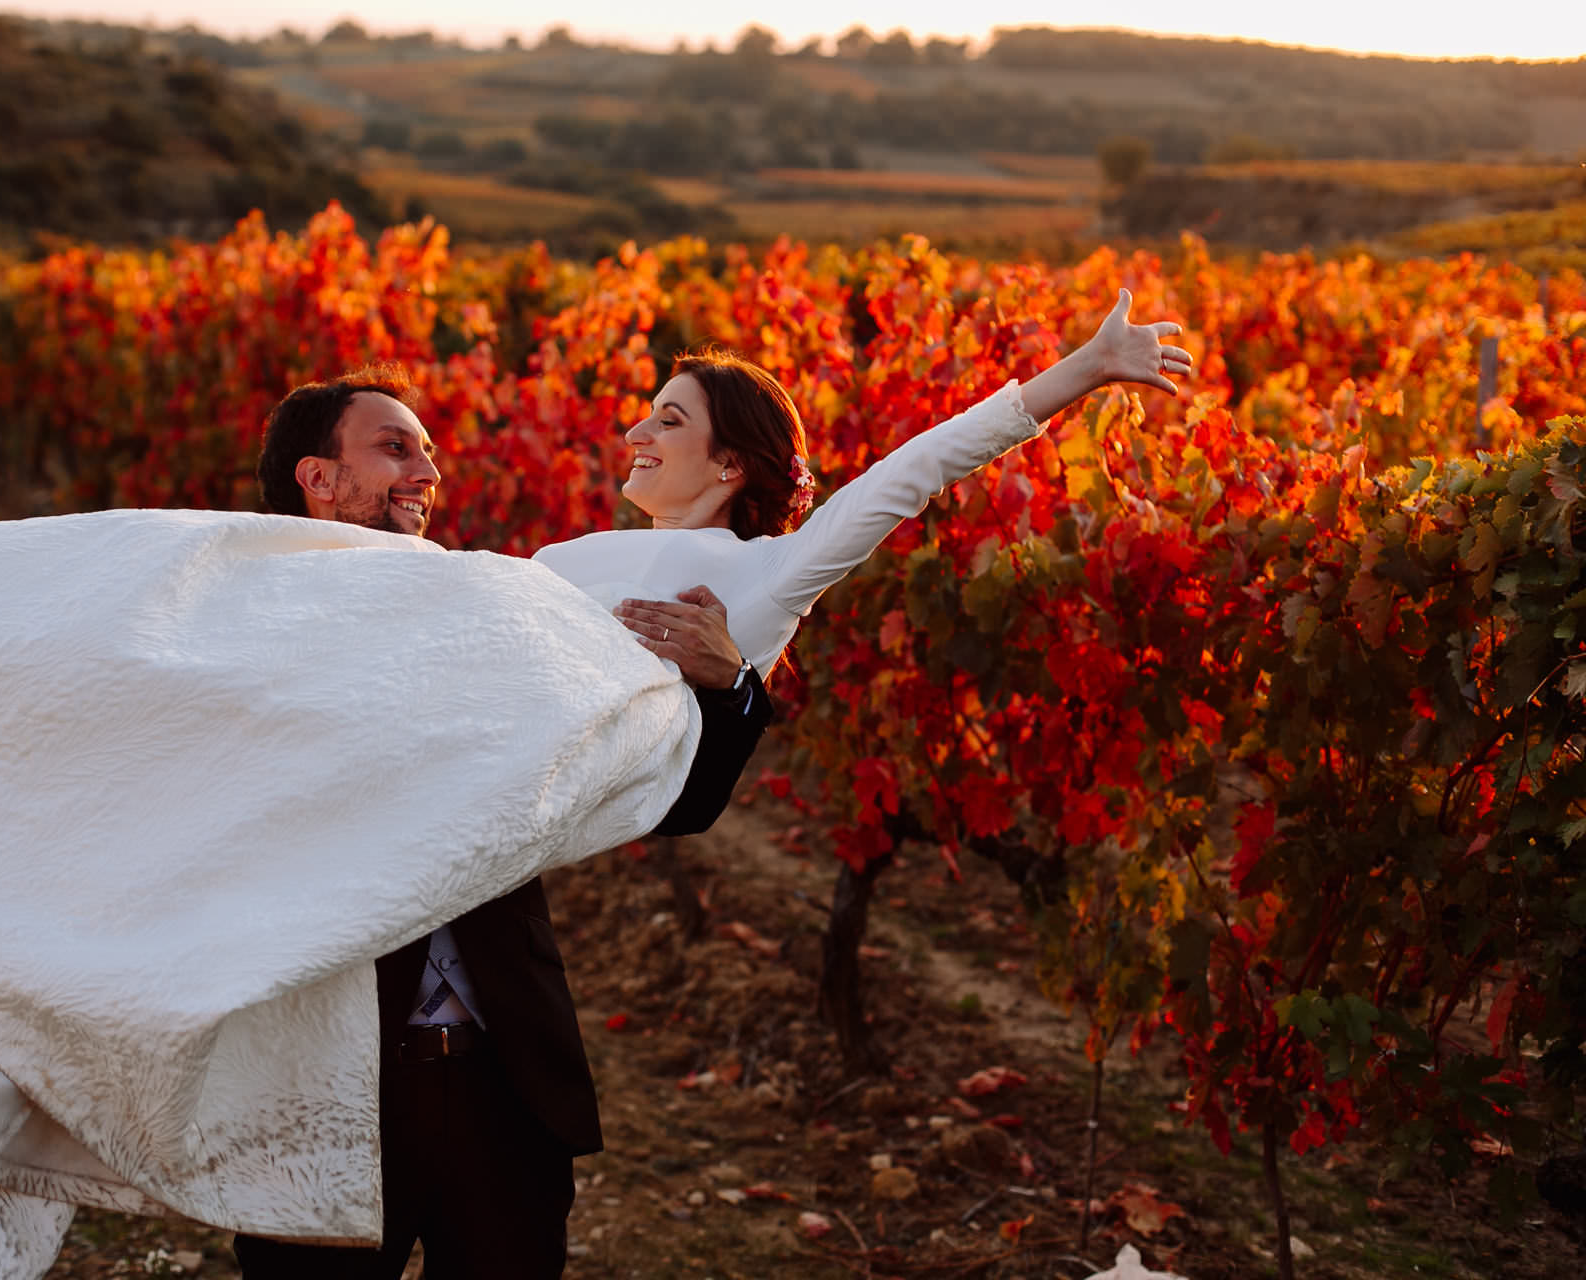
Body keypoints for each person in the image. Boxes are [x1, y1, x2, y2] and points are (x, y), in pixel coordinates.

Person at [233, 368, 774, 1280]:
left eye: (429, 453)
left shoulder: (486, 616)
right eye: (394, 448)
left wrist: (734, 691)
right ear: (317, 479)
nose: (427, 472)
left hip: (505, 1086)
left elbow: (676, 803)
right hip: (322, 1097)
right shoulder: (242, 637)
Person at [540, 288, 1192, 671]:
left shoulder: (768, 573)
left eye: (669, 421)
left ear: (730, 465)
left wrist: (1087, 367)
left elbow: (910, 471)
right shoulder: (570, 555)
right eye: (647, 417)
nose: (634, 436)